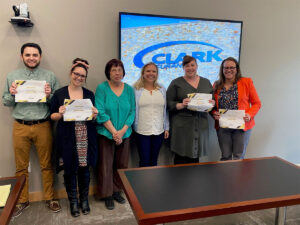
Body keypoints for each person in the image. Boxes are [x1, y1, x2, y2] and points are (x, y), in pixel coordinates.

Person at [2, 42, 61, 217]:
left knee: (47, 164)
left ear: (40, 57)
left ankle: (50, 198)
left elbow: (57, 103)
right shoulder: (12, 76)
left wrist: (50, 94)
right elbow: (6, 101)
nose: (31, 58)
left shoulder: (49, 76)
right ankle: (22, 200)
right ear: (22, 57)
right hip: (20, 126)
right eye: (28, 55)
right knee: (21, 167)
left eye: (35, 55)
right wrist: (12, 94)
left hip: (43, 125)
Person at [50, 58, 98, 217]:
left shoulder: (89, 94)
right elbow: (52, 116)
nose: (79, 77)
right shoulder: (60, 93)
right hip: (67, 136)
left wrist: (95, 115)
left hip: (85, 134)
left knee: (84, 169)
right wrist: (60, 112)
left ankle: (84, 199)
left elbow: (92, 118)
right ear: (71, 73)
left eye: (82, 76)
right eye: (76, 74)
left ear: (85, 78)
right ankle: (73, 202)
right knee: (70, 169)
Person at [95, 59, 135, 210]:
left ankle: (117, 190)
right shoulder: (102, 88)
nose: (117, 73)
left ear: (123, 72)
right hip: (106, 133)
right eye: (113, 70)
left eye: (119, 70)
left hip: (125, 133)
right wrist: (113, 132)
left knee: (122, 164)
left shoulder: (129, 90)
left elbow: (132, 112)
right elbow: (100, 111)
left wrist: (122, 131)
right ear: (108, 73)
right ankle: (107, 194)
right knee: (105, 165)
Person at [166, 55, 214, 164]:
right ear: (183, 68)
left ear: (197, 66)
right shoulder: (176, 83)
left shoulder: (206, 82)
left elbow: (212, 101)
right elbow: (168, 104)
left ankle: (193, 181)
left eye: (192, 65)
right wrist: (181, 104)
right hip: (182, 127)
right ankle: (178, 181)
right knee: (180, 158)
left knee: (195, 157)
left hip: (200, 125)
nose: (190, 68)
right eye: (187, 65)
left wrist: (213, 103)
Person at [212, 57, 261, 160]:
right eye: (226, 68)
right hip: (223, 127)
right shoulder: (216, 85)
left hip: (242, 126)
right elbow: (212, 106)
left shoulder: (246, 82)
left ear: (237, 69)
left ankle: (238, 177)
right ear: (222, 69)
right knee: (225, 156)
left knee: (238, 156)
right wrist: (214, 113)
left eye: (231, 67)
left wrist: (249, 115)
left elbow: (257, 103)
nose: (228, 70)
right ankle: (226, 176)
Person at [133, 62, 169, 167]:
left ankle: (152, 183)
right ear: (143, 73)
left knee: (154, 161)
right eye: (148, 71)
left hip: (159, 131)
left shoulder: (162, 89)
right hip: (141, 131)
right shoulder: (135, 89)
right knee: (144, 161)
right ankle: (142, 183)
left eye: (154, 71)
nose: (151, 73)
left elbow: (165, 110)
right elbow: (132, 109)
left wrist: (166, 127)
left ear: (157, 74)